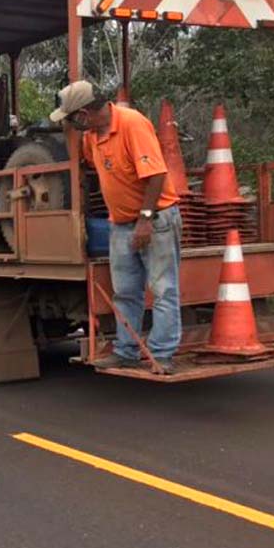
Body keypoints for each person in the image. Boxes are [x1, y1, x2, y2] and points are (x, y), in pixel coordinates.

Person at [50, 81, 182, 374]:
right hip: (120, 224)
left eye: (71, 119)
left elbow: (157, 175)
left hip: (155, 219)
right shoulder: (92, 137)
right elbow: (87, 164)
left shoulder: (132, 124)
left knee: (163, 289)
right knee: (125, 292)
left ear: (84, 114)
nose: (71, 125)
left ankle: (162, 354)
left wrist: (145, 219)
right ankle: (126, 351)